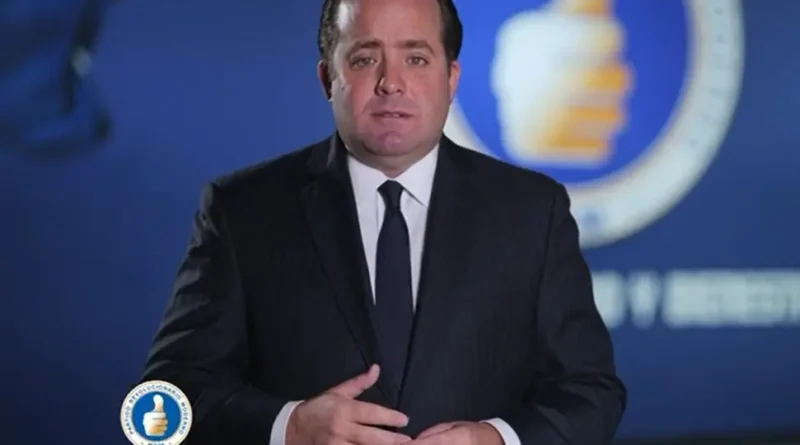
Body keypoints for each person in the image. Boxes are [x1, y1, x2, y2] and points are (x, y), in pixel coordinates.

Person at [139, 0, 627, 443]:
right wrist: (288, 427)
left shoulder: (532, 211)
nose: (391, 82)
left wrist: (495, 440)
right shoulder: (242, 209)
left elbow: (592, 394)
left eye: (416, 58)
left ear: (451, 78)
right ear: (327, 79)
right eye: (364, 58)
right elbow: (155, 407)